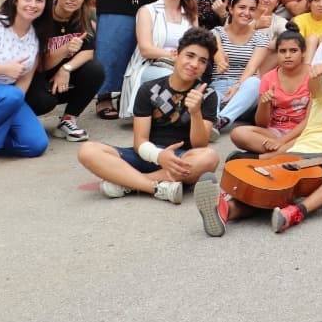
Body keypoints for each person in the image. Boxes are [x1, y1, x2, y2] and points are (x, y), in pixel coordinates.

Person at [195, 36, 322, 236]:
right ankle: (226, 210)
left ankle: (298, 211)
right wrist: (316, 77)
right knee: (277, 190)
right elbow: (317, 89)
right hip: (304, 153)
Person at [76, 27, 222, 201]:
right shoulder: (149, 89)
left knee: (209, 158)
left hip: (180, 161)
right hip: (147, 155)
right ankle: (156, 187)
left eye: (202, 61)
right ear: (176, 54)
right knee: (88, 150)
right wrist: (159, 156)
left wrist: (196, 112)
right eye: (190, 56)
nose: (194, 64)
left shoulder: (208, 94)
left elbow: (200, 144)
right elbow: (140, 142)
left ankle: (128, 183)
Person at [27, 0, 105, 141]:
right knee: (45, 102)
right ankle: (17, 118)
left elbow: (88, 51)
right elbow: (39, 65)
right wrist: (64, 50)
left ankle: (68, 120)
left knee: (95, 71)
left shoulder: (83, 16)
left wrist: (66, 68)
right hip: (33, 79)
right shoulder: (41, 17)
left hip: (60, 80)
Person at [0, 0, 54, 163]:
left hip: (7, 96)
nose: (32, 5)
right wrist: (2, 69)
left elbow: (26, 79)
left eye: (39, 0)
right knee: (11, 96)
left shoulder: (37, 34)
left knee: (35, 145)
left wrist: (11, 107)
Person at [230, 28, 310, 156]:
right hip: (274, 132)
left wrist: (281, 141)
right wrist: (264, 103)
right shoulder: (268, 78)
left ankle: (263, 156)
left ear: (303, 53)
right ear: (277, 53)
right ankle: (282, 153)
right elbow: (261, 123)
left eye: (293, 51)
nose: (287, 55)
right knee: (237, 133)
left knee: (312, 140)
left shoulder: (312, 76)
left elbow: (310, 120)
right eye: (282, 51)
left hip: (303, 133)